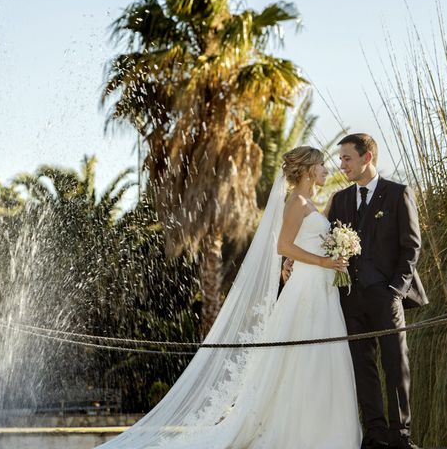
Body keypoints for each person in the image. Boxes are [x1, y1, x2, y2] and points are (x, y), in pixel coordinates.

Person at [96, 146, 362, 449]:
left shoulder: (310, 202)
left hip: (321, 289)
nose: (326, 169)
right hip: (307, 290)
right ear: (307, 169)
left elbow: (300, 246)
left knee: (321, 358)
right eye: (321, 165)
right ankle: (303, 434)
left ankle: (326, 432)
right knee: (305, 357)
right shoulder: (296, 202)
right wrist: (322, 262)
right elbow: (283, 248)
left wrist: (332, 254)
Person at [326, 133, 428, 449]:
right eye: (341, 159)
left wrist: (396, 290)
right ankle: (375, 434)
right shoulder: (341, 199)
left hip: (386, 295)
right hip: (351, 299)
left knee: (395, 364)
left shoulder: (398, 194)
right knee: (362, 366)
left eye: (347, 158)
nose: (342, 164)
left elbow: (411, 245)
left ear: (367, 157)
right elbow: (327, 244)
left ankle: (400, 435)